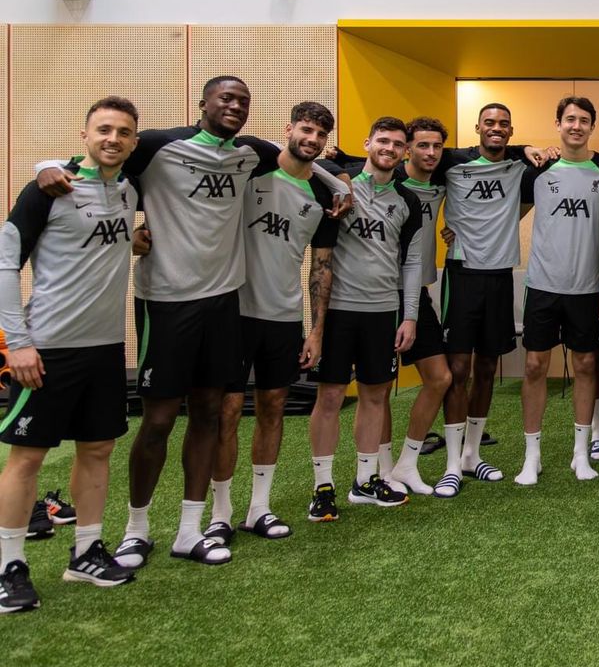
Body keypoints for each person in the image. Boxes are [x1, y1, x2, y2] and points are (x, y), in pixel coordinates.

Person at [34, 77, 347, 569]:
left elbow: (313, 163)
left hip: (224, 306)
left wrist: (340, 184)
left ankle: (190, 530)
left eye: (243, 101)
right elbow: (106, 155)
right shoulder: (162, 145)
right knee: (159, 420)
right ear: (203, 104)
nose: (235, 106)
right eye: (226, 98)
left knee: (208, 414)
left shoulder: (249, 153)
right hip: (166, 302)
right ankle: (136, 530)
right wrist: (48, 165)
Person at [0, 97, 142, 612]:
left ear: (134, 141)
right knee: (28, 457)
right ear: (84, 135)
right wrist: (17, 342)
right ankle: (9, 567)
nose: (112, 139)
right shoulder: (48, 189)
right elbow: (6, 263)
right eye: (103, 129)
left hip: (104, 349)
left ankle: (86, 552)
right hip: (47, 348)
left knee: (98, 449)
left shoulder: (129, 190)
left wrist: (135, 241)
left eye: (123, 132)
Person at [212, 102, 340, 544]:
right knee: (228, 412)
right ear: (289, 129)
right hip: (234, 312)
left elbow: (321, 267)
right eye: (306, 129)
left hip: (283, 317)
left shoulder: (324, 198)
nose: (312, 139)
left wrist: (316, 330)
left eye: (320, 134)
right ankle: (220, 514)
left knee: (272, 409)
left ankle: (258, 509)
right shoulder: (252, 168)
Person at [305, 118, 423, 521]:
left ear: (405, 153)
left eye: (398, 144)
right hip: (338, 310)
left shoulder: (407, 200)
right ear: (367, 142)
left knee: (375, 396)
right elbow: (306, 162)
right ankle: (323, 487)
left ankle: (366, 480)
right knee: (331, 397)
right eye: (382, 141)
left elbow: (412, 262)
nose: (389, 148)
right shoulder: (340, 185)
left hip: (382, 312)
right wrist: (341, 176)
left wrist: (409, 316)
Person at [430, 104, 540, 495]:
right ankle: (451, 465)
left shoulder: (519, 167)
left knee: (489, 367)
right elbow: (411, 158)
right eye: (489, 123)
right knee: (459, 368)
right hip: (461, 275)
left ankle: (471, 456)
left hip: (500, 276)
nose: (496, 128)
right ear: (477, 127)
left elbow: (543, 159)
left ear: (511, 130)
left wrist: (528, 148)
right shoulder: (452, 162)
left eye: (503, 124)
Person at [517, 97, 599, 486]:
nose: (576, 126)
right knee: (534, 366)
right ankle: (532, 457)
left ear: (592, 127)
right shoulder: (539, 169)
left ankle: (581, 454)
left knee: (585, 366)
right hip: (543, 286)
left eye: (583, 121)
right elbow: (506, 214)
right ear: (558, 124)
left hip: (589, 289)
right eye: (569, 119)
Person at [384, 117, 453, 496]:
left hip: (418, 293)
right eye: (422, 145)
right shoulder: (390, 182)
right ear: (407, 148)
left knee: (440, 378)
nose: (430, 152)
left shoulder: (441, 184)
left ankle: (406, 464)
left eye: (437, 146)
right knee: (378, 387)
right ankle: (378, 471)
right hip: (379, 293)